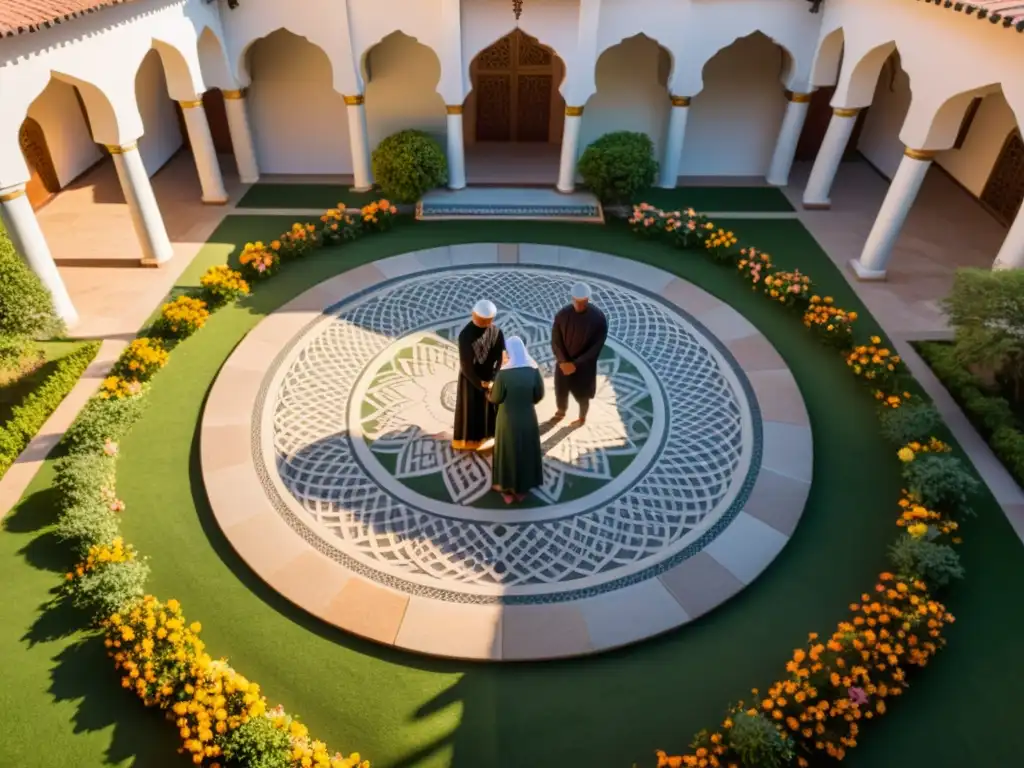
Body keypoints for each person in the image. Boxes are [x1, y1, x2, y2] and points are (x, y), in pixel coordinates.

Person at [488, 336, 545, 504]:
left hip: (507, 419)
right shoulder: (534, 370)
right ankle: (522, 489)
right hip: (528, 416)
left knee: (507, 452)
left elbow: (496, 397)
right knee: (525, 450)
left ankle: (506, 488)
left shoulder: (504, 373)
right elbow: (539, 395)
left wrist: (489, 393)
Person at [551, 282, 608, 426]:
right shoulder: (562, 315)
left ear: (588, 300)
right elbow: (556, 340)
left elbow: (596, 347)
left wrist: (576, 364)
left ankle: (582, 418)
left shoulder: (598, 318)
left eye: (583, 302)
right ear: (573, 300)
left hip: (584, 366)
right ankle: (561, 410)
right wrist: (563, 361)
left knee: (583, 395)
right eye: (577, 302)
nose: (580, 305)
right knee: (561, 389)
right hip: (563, 363)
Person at [453, 299, 505, 451]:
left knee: (489, 410)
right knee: (471, 409)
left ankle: (488, 439)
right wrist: (481, 383)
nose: (484, 323)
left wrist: (494, 379)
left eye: (486, 320)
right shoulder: (466, 335)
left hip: (489, 378)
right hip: (470, 380)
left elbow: (501, 357)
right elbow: (466, 365)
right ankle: (469, 442)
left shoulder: (496, 332)